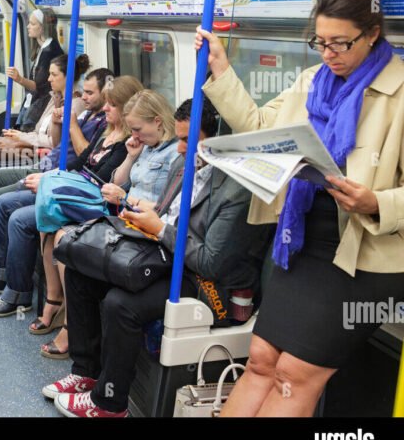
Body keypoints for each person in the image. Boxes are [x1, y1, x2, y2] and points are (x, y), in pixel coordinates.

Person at [192, 0, 404, 417]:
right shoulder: (312, 81)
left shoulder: (400, 93)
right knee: (261, 362)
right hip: (303, 244)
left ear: (373, 34)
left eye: (340, 44)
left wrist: (376, 203)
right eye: (320, 42)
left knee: (294, 374)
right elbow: (258, 127)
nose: (328, 54)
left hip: (366, 256)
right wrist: (221, 70)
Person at [48, 98, 268, 417]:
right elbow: (166, 214)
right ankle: (87, 373)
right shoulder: (184, 165)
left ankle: (110, 403)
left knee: (120, 304)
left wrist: (160, 229)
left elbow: (210, 262)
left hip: (211, 286)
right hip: (168, 257)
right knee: (81, 273)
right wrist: (143, 219)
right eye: (179, 139)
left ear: (219, 141)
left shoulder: (237, 191)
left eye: (188, 141)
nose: (180, 149)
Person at [0, 72, 136, 326]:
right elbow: (79, 160)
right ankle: (8, 274)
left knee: (16, 215)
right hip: (58, 176)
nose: (104, 107)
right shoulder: (104, 129)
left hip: (83, 197)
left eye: (111, 104)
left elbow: (99, 180)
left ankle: (20, 293)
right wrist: (53, 174)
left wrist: (52, 177)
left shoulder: (123, 141)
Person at [0, 68, 113, 247]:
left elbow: (83, 157)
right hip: (45, 162)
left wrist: (27, 137)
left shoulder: (87, 114)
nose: (49, 78)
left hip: (49, 166)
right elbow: (58, 143)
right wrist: (55, 121)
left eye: (90, 93)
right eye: (84, 91)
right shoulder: (78, 109)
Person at [100, 85, 179, 210]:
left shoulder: (177, 153)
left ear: (157, 121)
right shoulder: (146, 145)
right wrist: (130, 157)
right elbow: (117, 184)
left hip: (148, 224)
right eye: (131, 130)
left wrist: (125, 199)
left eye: (137, 129)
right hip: (127, 218)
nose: (134, 135)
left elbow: (169, 209)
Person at [8, 7, 64, 130]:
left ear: (43, 27)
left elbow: (38, 86)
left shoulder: (50, 51)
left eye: (32, 24)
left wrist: (19, 79)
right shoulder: (43, 48)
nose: (28, 26)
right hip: (35, 101)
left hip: (43, 103)